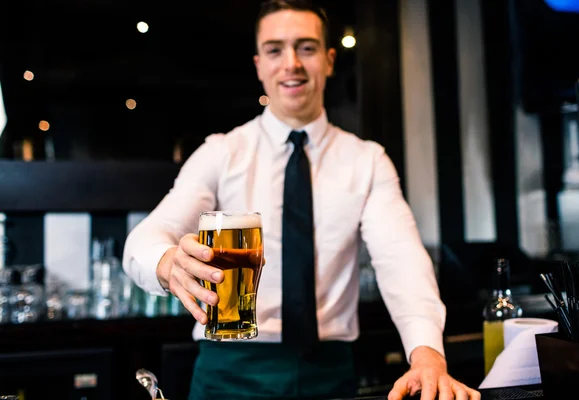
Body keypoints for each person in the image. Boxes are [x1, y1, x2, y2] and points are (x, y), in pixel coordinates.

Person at [122, 1, 481, 399]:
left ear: (329, 61)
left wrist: (427, 353)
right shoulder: (222, 152)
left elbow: (402, 262)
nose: (291, 63)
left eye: (306, 48)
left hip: (329, 374)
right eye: (275, 50)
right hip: (228, 372)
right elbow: (145, 238)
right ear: (259, 64)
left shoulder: (367, 160)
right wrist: (167, 262)